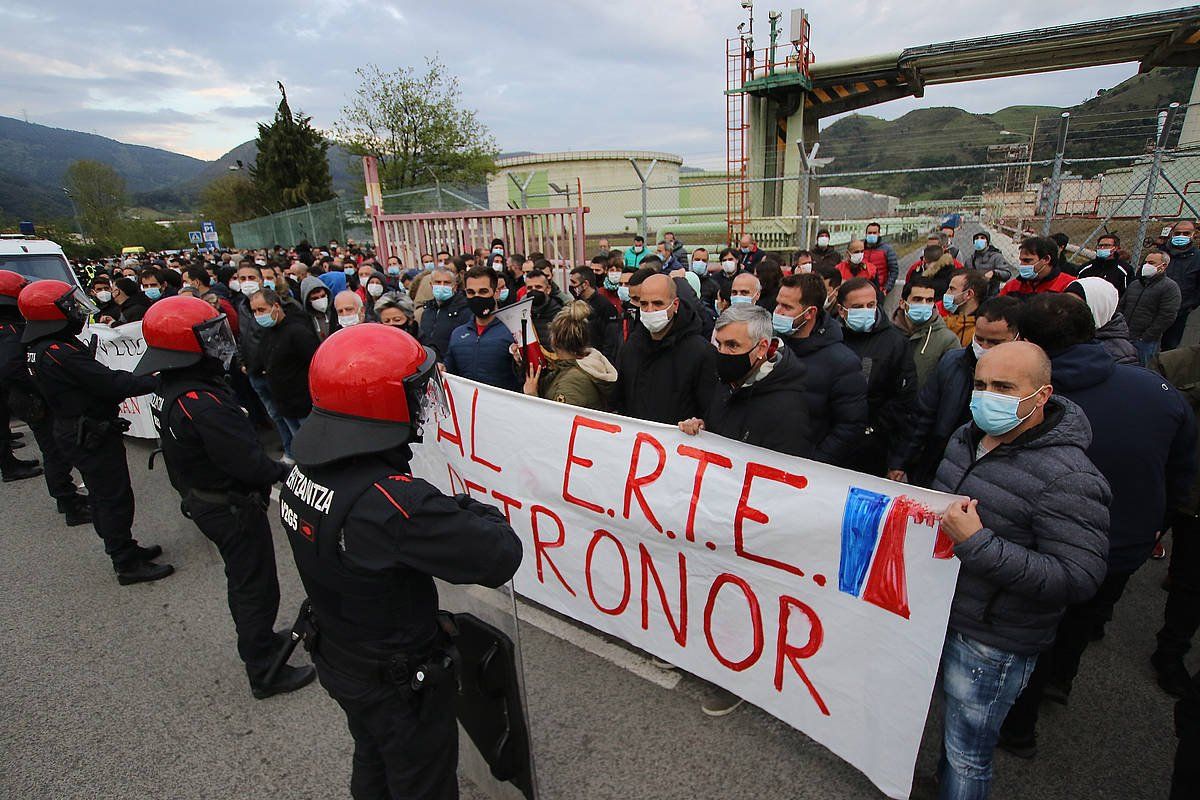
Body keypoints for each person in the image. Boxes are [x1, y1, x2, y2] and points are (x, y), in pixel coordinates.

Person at [281, 324, 523, 799]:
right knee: (422, 781)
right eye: (414, 393)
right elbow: (498, 554)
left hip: (340, 653)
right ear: (379, 403)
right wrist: (468, 507)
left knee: (373, 757)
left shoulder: (306, 467)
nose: (422, 402)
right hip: (394, 678)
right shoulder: (392, 504)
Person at [999, 293, 1196, 757]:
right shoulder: (1156, 391)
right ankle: (1061, 680)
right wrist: (1153, 528)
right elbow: (1182, 473)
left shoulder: (1023, 400)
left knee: (1034, 631)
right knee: (1082, 620)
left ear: (1025, 342)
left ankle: (1017, 727)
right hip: (1122, 546)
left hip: (1041, 547)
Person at [932, 340, 1110, 800]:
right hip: (943, 614)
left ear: (1042, 395)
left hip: (994, 641)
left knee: (967, 754)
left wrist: (978, 544)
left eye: (1004, 387)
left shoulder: (1070, 478)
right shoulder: (965, 437)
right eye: (981, 384)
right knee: (947, 736)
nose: (987, 396)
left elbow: (1077, 577)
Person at [133, 296, 315, 699]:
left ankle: (261, 642)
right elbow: (251, 465)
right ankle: (264, 667)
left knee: (246, 580)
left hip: (205, 496)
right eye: (209, 336)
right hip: (228, 505)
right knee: (255, 585)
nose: (221, 341)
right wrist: (293, 474)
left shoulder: (174, 385)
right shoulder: (204, 403)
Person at [19, 280, 172, 585]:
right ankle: (125, 562)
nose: (75, 311)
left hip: (77, 427)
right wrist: (157, 379)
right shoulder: (59, 352)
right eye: (67, 307)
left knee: (105, 494)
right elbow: (111, 384)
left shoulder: (42, 348)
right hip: (88, 431)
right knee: (112, 497)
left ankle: (124, 547)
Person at [889, 297, 1021, 488]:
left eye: (994, 342)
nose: (983, 348)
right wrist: (900, 461)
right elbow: (922, 416)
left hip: (988, 478)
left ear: (1017, 338)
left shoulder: (1025, 378)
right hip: (937, 467)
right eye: (979, 339)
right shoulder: (952, 363)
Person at [0, 272, 91, 527]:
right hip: (31, 399)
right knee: (54, 451)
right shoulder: (9, 329)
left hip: (23, 398)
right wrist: (41, 384)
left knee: (53, 450)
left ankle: (67, 497)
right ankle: (69, 503)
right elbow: (10, 367)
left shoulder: (10, 325)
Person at [679, 303, 811, 457]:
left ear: (762, 347)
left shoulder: (789, 411)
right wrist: (703, 430)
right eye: (719, 344)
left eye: (732, 345)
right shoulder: (727, 382)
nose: (722, 353)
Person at [773, 274, 867, 468]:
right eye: (778, 304)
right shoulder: (773, 346)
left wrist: (815, 463)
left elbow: (850, 426)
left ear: (810, 313)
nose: (778, 312)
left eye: (787, 307)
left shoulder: (843, 363)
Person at [836, 277, 916, 476]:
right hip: (831, 438)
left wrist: (875, 431)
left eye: (870, 305)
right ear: (841, 310)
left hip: (871, 446)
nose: (865, 310)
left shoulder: (895, 343)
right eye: (857, 306)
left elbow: (903, 401)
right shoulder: (831, 337)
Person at [614, 274, 717, 425]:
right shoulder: (631, 347)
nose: (650, 310)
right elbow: (620, 400)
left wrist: (700, 424)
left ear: (675, 305)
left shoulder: (701, 353)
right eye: (644, 304)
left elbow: (709, 410)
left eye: (657, 303)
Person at [251, 289, 320, 445]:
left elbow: (315, 362)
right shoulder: (268, 333)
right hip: (283, 404)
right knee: (299, 443)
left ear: (275, 306)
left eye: (262, 310)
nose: (258, 315)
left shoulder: (297, 331)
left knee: (311, 444)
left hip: (303, 404)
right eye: (254, 311)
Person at [524, 300, 617, 410]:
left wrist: (532, 397)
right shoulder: (585, 363)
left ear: (555, 341)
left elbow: (556, 421)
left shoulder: (572, 382)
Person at [444, 267, 520, 392]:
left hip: (503, 407)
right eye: (471, 292)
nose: (476, 297)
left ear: (496, 293)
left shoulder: (513, 331)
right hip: (468, 407)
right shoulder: (458, 334)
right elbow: (450, 370)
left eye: (483, 291)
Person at [894, 275, 960, 389]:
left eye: (929, 300)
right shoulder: (889, 335)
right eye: (917, 299)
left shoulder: (947, 340)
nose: (924, 304)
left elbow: (952, 383)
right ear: (902, 303)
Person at [1120, 249, 1182, 367]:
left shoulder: (1170, 288)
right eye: (1146, 262)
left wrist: (1146, 336)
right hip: (1125, 336)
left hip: (1145, 341)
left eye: (1151, 263)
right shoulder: (1135, 284)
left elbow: (1167, 316)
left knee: (1143, 370)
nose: (1147, 265)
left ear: (1163, 266)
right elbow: (1122, 306)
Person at [1063, 277, 1138, 365]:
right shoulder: (1062, 331)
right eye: (1065, 302)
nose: (1066, 310)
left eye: (1075, 306)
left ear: (1098, 308)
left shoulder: (1121, 353)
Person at [568, 267, 621, 363]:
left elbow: (610, 340)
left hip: (596, 361)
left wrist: (604, 362)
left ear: (585, 284)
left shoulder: (604, 306)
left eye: (574, 282)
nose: (571, 286)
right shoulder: (576, 303)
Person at [1163, 220, 1200, 351]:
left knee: (1169, 347)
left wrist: (1189, 305)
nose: (1181, 236)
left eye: (1186, 233)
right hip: (1153, 308)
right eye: (1178, 233)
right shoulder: (1161, 254)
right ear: (1172, 234)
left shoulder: (1197, 258)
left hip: (1179, 311)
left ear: (1193, 235)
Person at [1000, 236, 1077, 297]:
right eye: (1021, 261)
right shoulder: (1012, 287)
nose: (1022, 265)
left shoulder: (1069, 286)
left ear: (1046, 259)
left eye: (1027, 261)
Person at [417, 267, 469, 358]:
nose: (442, 286)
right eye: (438, 282)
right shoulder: (427, 311)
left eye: (447, 283)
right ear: (431, 285)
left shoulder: (464, 310)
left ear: (455, 286)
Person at [939, 269, 989, 348]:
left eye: (952, 289)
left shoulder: (983, 331)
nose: (946, 293)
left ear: (969, 294)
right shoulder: (945, 321)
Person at [523, 269, 564, 346]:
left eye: (538, 287)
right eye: (529, 288)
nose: (533, 290)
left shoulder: (560, 315)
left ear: (548, 289)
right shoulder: (522, 314)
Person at [862, 222, 899, 294]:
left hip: (879, 290)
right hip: (862, 289)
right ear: (866, 234)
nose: (871, 235)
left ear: (879, 234)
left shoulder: (887, 249)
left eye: (874, 233)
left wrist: (886, 288)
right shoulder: (861, 249)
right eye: (869, 233)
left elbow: (894, 271)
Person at [300, 275, 333, 339]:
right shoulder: (303, 321)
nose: (320, 300)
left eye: (323, 296)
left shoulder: (336, 312)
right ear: (307, 300)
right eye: (315, 298)